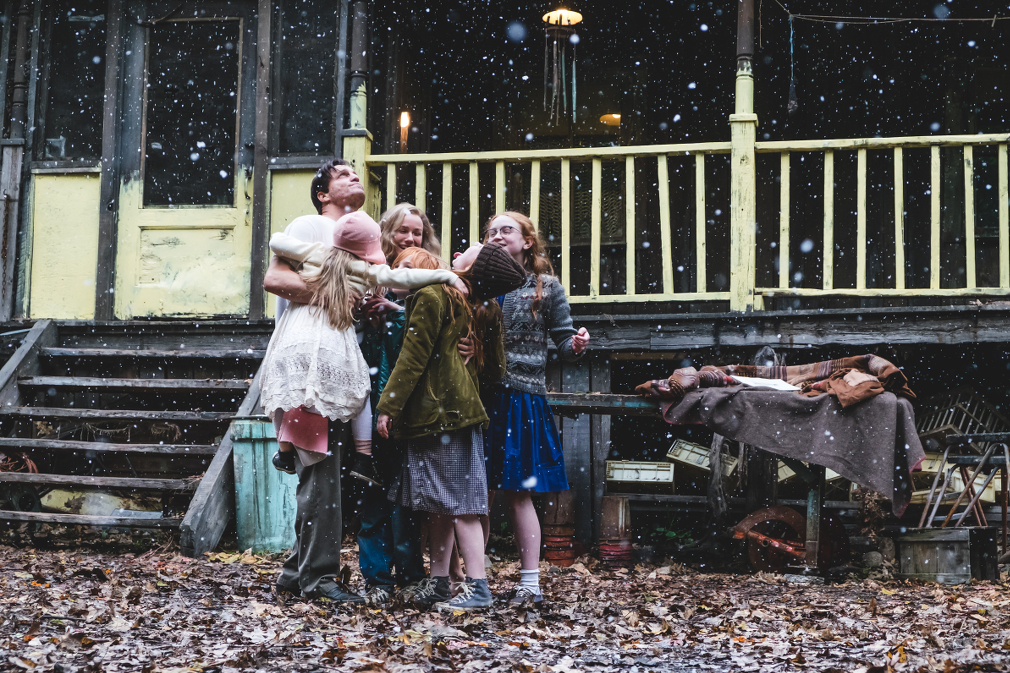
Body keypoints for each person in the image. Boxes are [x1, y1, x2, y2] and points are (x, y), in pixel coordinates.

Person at [376, 243, 527, 611]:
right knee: (442, 505)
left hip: (441, 414)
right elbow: (497, 372)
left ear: (473, 266)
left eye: (470, 251)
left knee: (459, 505)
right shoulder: (484, 306)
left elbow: (413, 356)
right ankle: (440, 581)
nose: (460, 251)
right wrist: (481, 354)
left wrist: (387, 405)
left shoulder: (432, 294)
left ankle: (478, 587)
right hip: (458, 413)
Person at [480, 211, 590, 607]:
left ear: (527, 241)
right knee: (478, 492)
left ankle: (530, 581)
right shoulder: (476, 284)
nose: (496, 235)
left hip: (522, 397)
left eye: (506, 230)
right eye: (490, 231)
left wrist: (576, 344)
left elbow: (563, 342)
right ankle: (476, 577)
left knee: (517, 494)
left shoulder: (547, 288)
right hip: (478, 396)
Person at [354, 205, 445, 607]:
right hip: (367, 396)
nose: (410, 239)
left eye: (417, 233)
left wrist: (398, 313)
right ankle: (376, 577)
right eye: (401, 232)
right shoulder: (365, 277)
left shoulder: (428, 282)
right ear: (384, 235)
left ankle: (410, 575)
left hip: (408, 404)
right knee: (371, 491)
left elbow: (439, 328)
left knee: (405, 496)